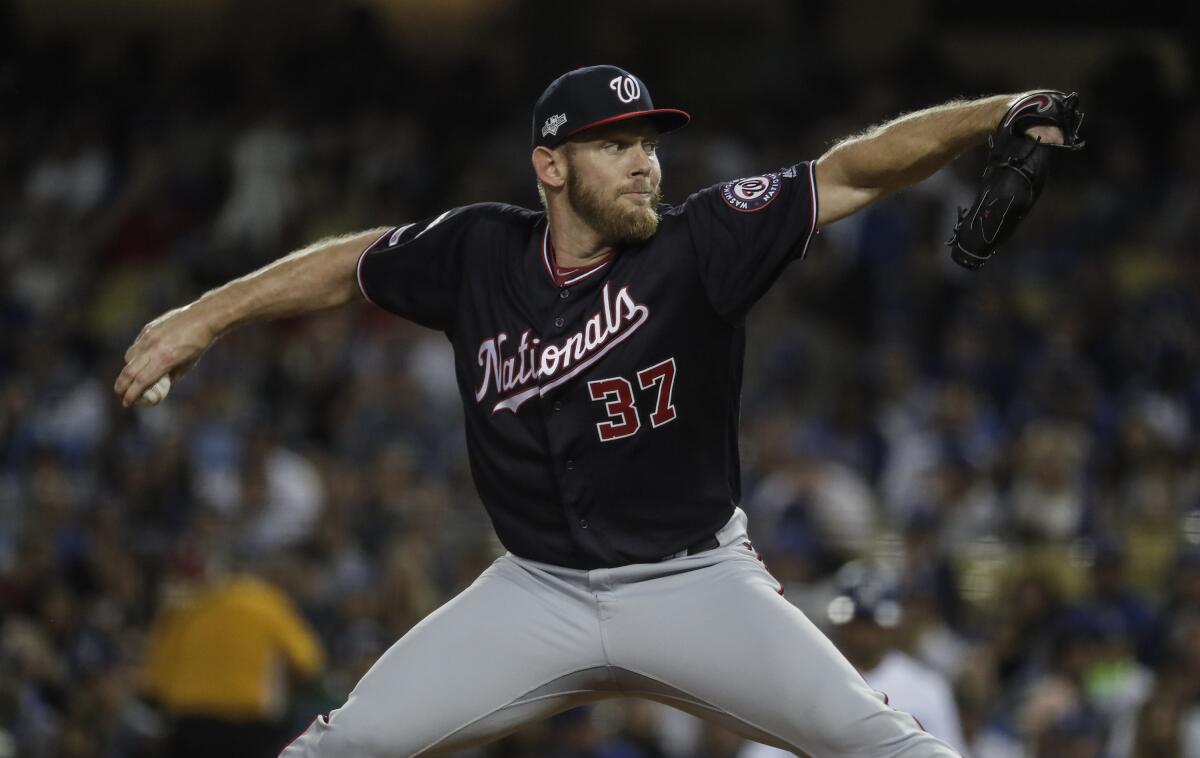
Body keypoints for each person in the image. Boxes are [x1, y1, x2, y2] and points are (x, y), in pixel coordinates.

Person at [115, 65, 1073, 757]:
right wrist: (204, 316)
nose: (644, 163)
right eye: (615, 145)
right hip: (537, 590)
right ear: (551, 166)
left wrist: (998, 112)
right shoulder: (480, 252)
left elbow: (856, 169)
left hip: (694, 583)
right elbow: (346, 265)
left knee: (888, 747)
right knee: (342, 746)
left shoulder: (703, 241)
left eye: (650, 143)